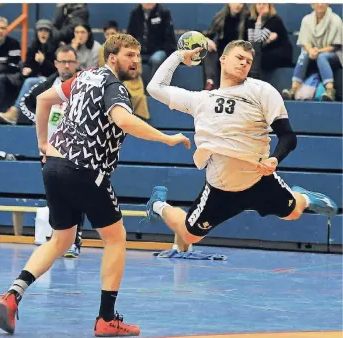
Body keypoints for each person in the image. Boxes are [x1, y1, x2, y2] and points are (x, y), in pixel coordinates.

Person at [0, 33, 190, 336]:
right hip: (84, 170)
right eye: (129, 55)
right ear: (112, 57)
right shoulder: (114, 86)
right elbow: (124, 120)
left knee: (61, 239)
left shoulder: (84, 77)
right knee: (115, 238)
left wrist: (43, 144)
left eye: (137, 55)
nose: (135, 60)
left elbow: (43, 99)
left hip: (54, 166)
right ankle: (106, 318)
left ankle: (13, 294)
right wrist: (166, 138)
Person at [145, 39, 338, 248]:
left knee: (293, 212)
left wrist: (275, 159)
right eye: (239, 58)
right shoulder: (201, 100)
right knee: (190, 235)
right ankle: (158, 204)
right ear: (223, 59)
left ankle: (304, 197)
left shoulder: (262, 91)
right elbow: (155, 88)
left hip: (258, 180)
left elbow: (288, 137)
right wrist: (178, 56)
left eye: (249, 61)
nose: (244, 63)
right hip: (220, 187)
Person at [19, 45, 83, 258]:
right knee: (55, 195)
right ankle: (59, 238)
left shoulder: (83, 86)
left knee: (76, 194)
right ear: (56, 64)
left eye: (70, 61)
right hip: (50, 149)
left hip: (76, 149)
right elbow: (25, 104)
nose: (66, 65)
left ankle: (74, 239)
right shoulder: (46, 86)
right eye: (63, 61)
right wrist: (42, 125)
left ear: (76, 63)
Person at [282, 3, 342, 102]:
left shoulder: (336, 20)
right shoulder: (307, 20)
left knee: (322, 57)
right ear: (312, 5)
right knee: (304, 54)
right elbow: (305, 41)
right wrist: (310, 50)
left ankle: (330, 91)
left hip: (333, 54)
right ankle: (293, 89)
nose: (320, 4)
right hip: (313, 52)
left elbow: (335, 45)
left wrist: (319, 51)